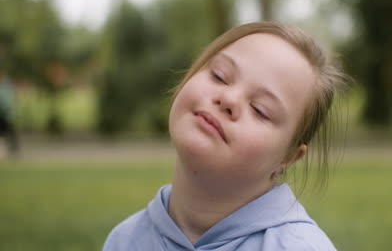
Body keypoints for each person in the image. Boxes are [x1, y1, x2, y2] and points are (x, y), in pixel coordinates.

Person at [103, 21, 351, 251]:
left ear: (289, 156)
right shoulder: (124, 240)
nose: (229, 99)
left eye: (260, 110)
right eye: (219, 75)